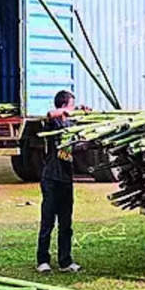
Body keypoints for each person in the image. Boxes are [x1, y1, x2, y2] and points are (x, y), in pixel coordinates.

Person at [36, 90, 89, 273]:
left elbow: (79, 146)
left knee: (66, 224)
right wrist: (67, 111)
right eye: (72, 105)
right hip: (51, 178)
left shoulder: (72, 125)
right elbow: (50, 115)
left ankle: (65, 261)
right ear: (65, 105)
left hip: (66, 179)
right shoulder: (54, 123)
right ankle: (43, 260)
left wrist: (83, 115)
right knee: (48, 222)